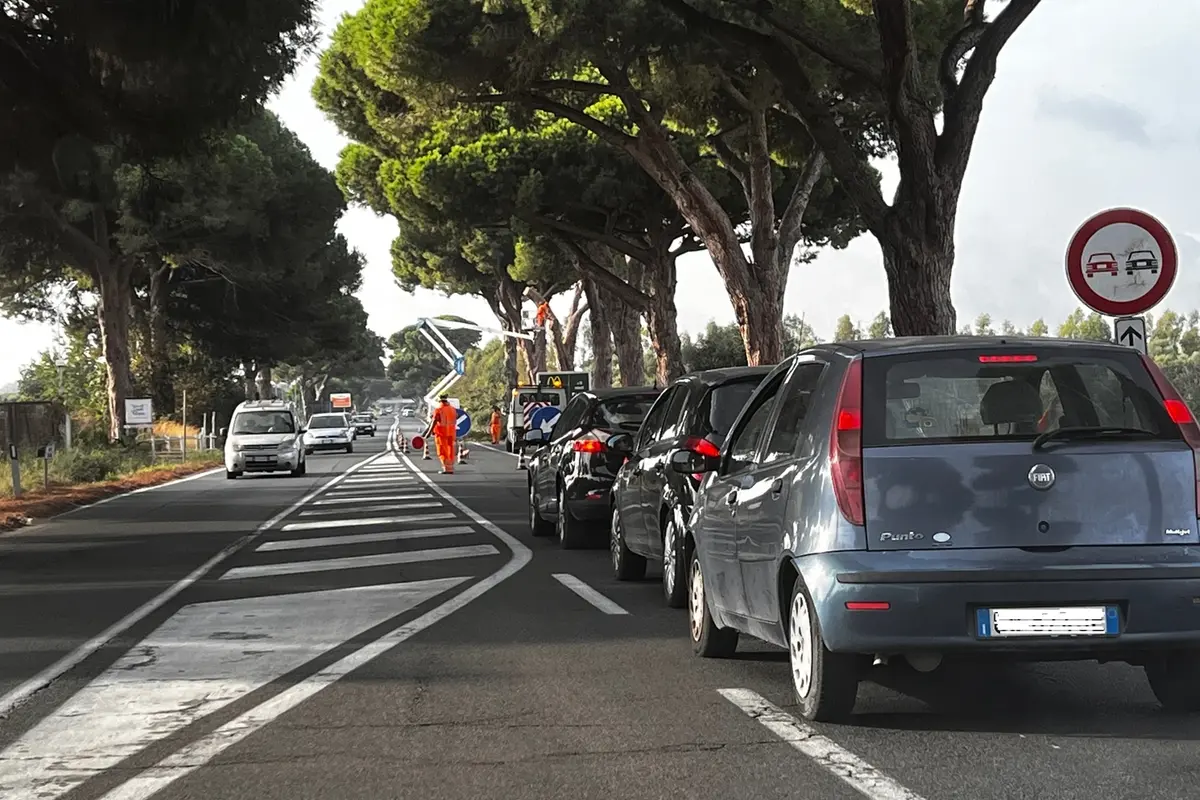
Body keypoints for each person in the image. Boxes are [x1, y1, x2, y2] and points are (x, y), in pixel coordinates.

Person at [425, 394, 459, 474]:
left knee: (442, 452)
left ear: (440, 400)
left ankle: (446, 469)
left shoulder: (439, 409)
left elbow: (434, 421)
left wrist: (428, 433)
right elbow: (456, 416)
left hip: (442, 434)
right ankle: (450, 468)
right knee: (450, 451)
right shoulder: (453, 409)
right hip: (451, 434)